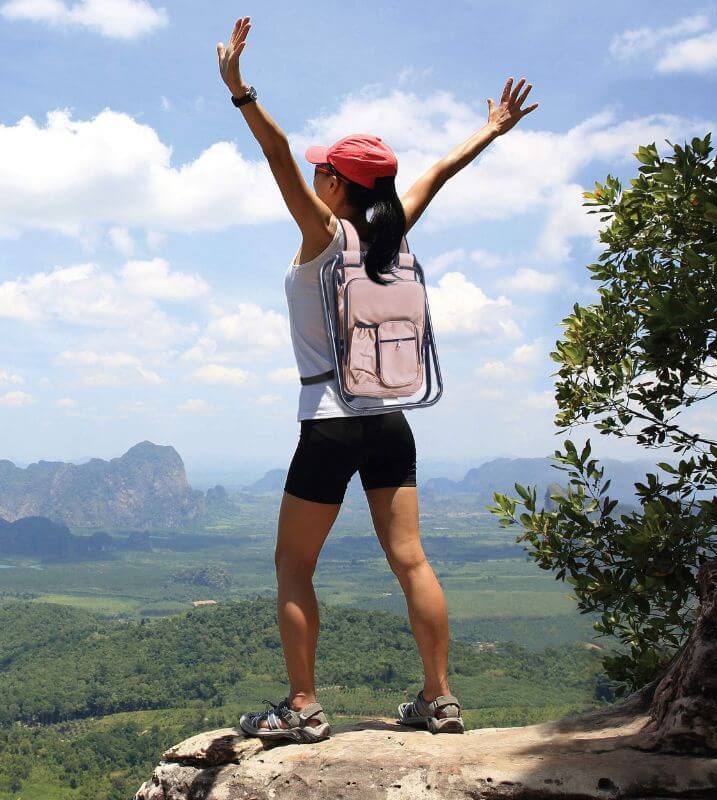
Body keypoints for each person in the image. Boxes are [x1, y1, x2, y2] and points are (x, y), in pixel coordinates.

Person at [216, 16, 538, 743]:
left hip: (330, 418)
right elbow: (437, 174)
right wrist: (491, 131)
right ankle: (441, 697)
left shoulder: (322, 234)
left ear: (333, 181)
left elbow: (273, 152)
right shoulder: (393, 235)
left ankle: (302, 706)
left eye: (321, 171)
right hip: (391, 420)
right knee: (411, 558)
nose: (314, 176)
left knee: (293, 563)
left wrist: (240, 91)